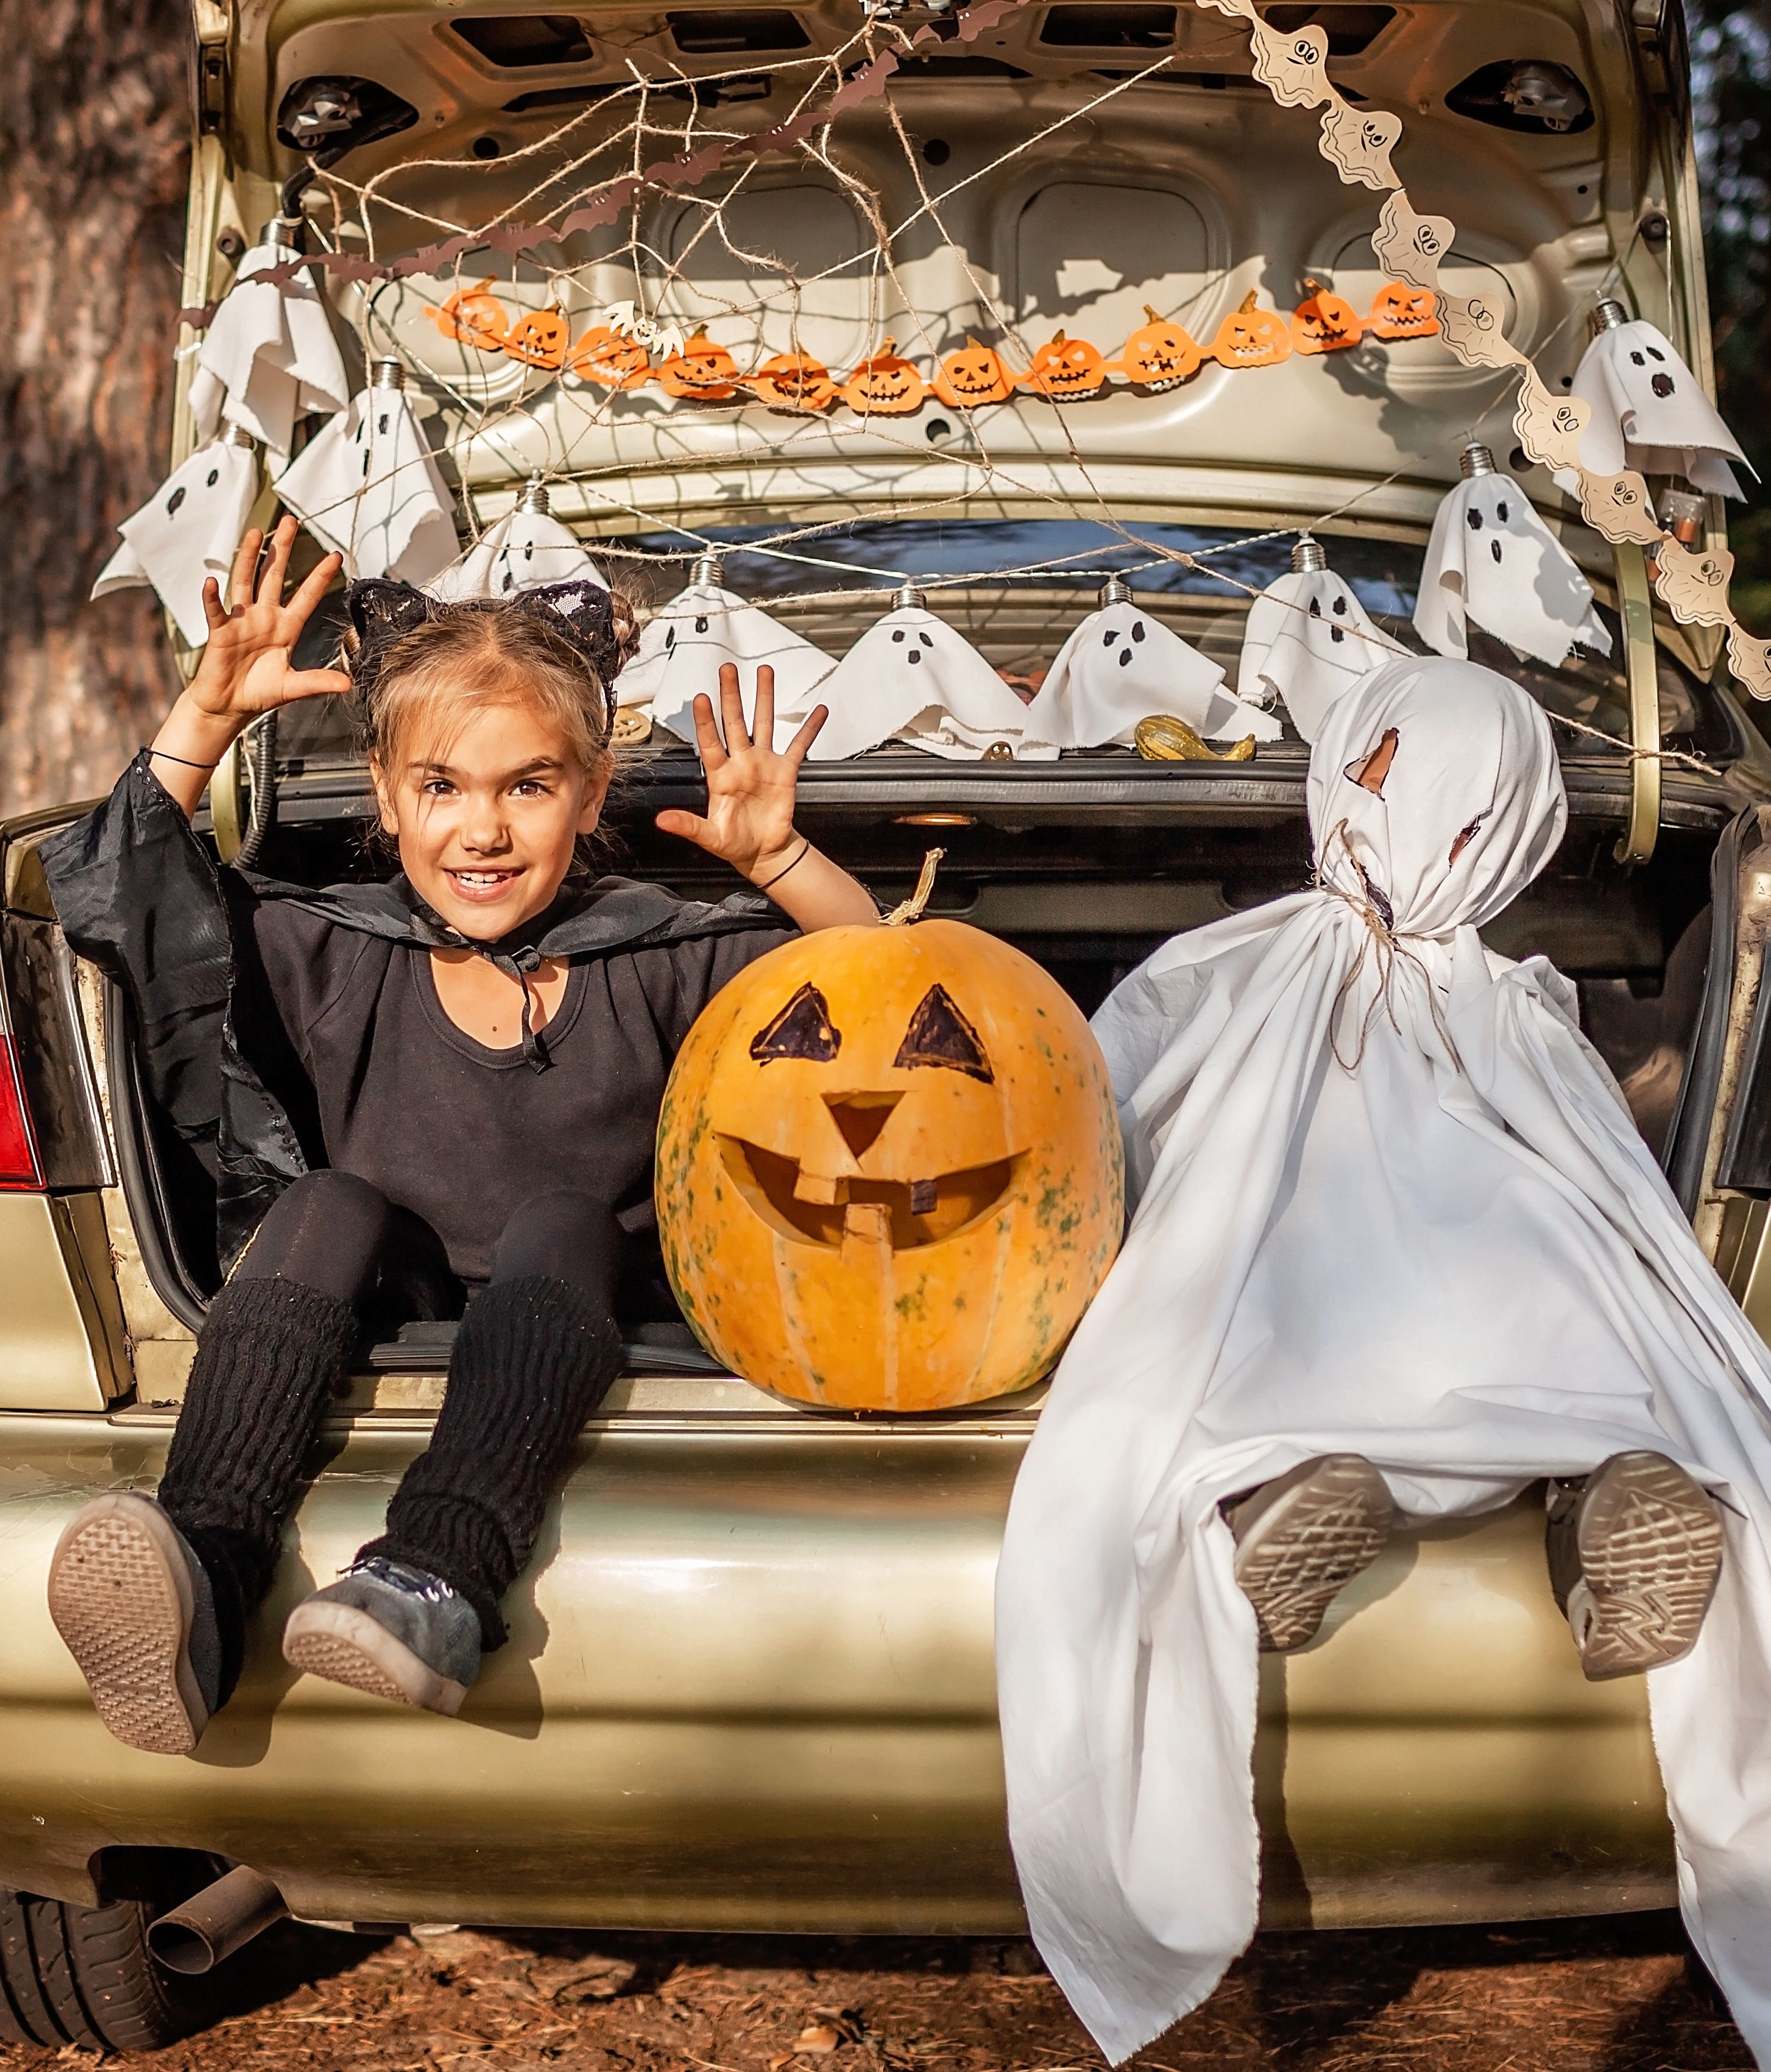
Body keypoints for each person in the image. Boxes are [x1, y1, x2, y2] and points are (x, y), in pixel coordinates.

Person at [995, 657, 1771, 2067]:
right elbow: (1601, 1181)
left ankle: (1297, 1487)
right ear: (1518, 837)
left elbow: (1104, 1104)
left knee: (1242, 1364)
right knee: (1585, 1361)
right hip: (1519, 1303)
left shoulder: (1226, 963)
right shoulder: (1519, 1001)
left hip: (1300, 1293)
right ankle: (1605, 1501)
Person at [41, 518, 876, 1755]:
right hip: (391, 1305)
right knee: (322, 1204)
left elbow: (878, 1003)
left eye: (525, 787)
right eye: (440, 787)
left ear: (589, 795)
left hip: (584, 1312)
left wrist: (784, 860)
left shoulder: (659, 951)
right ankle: (204, 1572)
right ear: (385, 795)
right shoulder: (330, 946)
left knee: (561, 1220)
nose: (479, 831)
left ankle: (434, 1574)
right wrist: (203, 719)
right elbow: (133, 902)